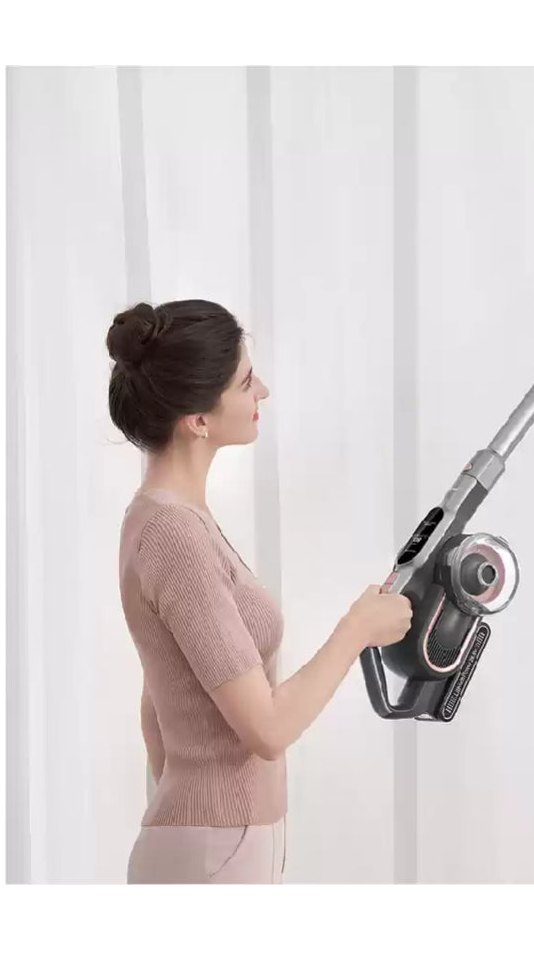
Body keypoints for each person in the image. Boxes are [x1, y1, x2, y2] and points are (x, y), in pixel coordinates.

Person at [107, 299, 412, 883]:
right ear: (198, 419)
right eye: (246, 382)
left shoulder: (161, 518)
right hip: (214, 851)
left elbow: (156, 708)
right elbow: (267, 731)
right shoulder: (174, 535)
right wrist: (357, 630)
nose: (263, 392)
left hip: (213, 846)